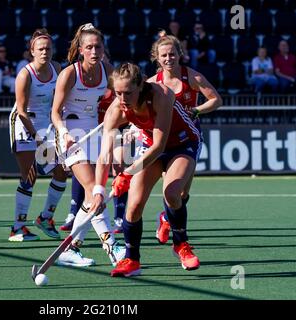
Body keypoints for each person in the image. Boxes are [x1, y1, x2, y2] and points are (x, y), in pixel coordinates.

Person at [90, 62, 175, 276]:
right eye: (117, 93)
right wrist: (98, 191)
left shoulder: (159, 96)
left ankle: (177, 235)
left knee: (177, 194)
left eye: (127, 93)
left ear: (140, 86)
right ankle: (132, 261)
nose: (122, 99)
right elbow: (105, 154)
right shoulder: (115, 110)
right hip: (149, 143)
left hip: (179, 141)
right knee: (133, 206)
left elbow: (159, 146)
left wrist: (127, 173)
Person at [51, 23, 125, 267]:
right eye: (90, 47)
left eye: (99, 47)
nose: (95, 51)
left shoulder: (108, 70)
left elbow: (121, 101)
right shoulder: (69, 73)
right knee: (95, 190)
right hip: (69, 134)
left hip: (94, 132)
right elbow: (55, 113)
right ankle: (111, 247)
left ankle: (71, 248)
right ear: (81, 49)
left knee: (90, 196)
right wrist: (64, 133)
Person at [150, 32, 222, 246]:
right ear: (157, 57)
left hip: (189, 138)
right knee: (169, 187)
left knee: (182, 192)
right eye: (163, 55)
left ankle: (165, 218)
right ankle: (178, 236)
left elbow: (216, 100)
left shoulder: (192, 77)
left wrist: (197, 110)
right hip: (163, 140)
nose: (168, 58)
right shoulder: (153, 83)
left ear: (179, 55)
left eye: (172, 54)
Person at [8, 28, 67, 241]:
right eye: (40, 49)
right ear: (32, 51)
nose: (45, 52)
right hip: (24, 125)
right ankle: (17, 227)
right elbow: (21, 111)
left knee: (61, 170)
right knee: (30, 175)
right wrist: (36, 137)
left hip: (46, 125)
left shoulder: (57, 68)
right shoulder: (25, 74)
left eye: (48, 48)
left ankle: (46, 217)